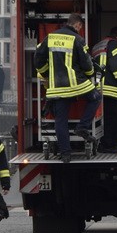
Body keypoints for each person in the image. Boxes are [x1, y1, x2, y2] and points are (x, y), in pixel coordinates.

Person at [33, 13, 100, 162]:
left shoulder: (50, 37)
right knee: (96, 97)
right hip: (76, 85)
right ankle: (82, 127)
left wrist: (47, 73)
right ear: (78, 25)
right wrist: (89, 74)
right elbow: (87, 64)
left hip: (56, 87)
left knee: (60, 120)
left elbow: (38, 58)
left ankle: (65, 154)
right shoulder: (77, 39)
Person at [95, 26, 117, 152]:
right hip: (111, 89)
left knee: (105, 119)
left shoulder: (100, 45)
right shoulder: (115, 44)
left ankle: (105, 143)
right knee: (115, 118)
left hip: (99, 88)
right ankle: (109, 145)